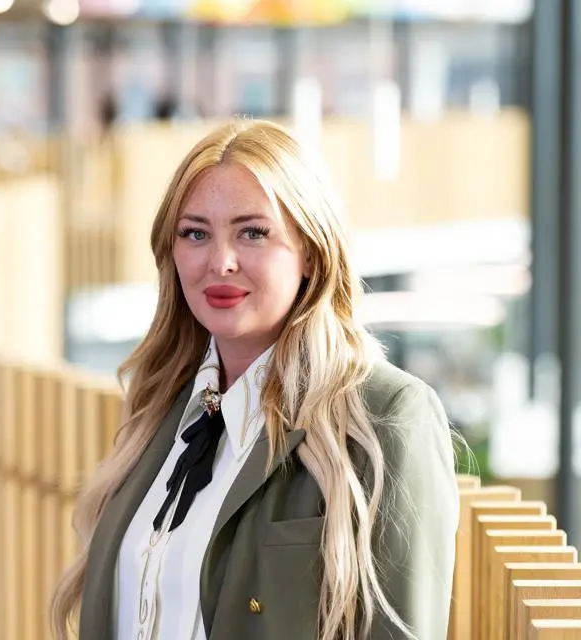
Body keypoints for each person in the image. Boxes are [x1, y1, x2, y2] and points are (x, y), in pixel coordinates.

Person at [50, 119, 460, 640]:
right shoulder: (163, 408)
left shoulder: (388, 415)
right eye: (196, 233)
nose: (220, 262)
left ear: (311, 252)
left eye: (253, 233)